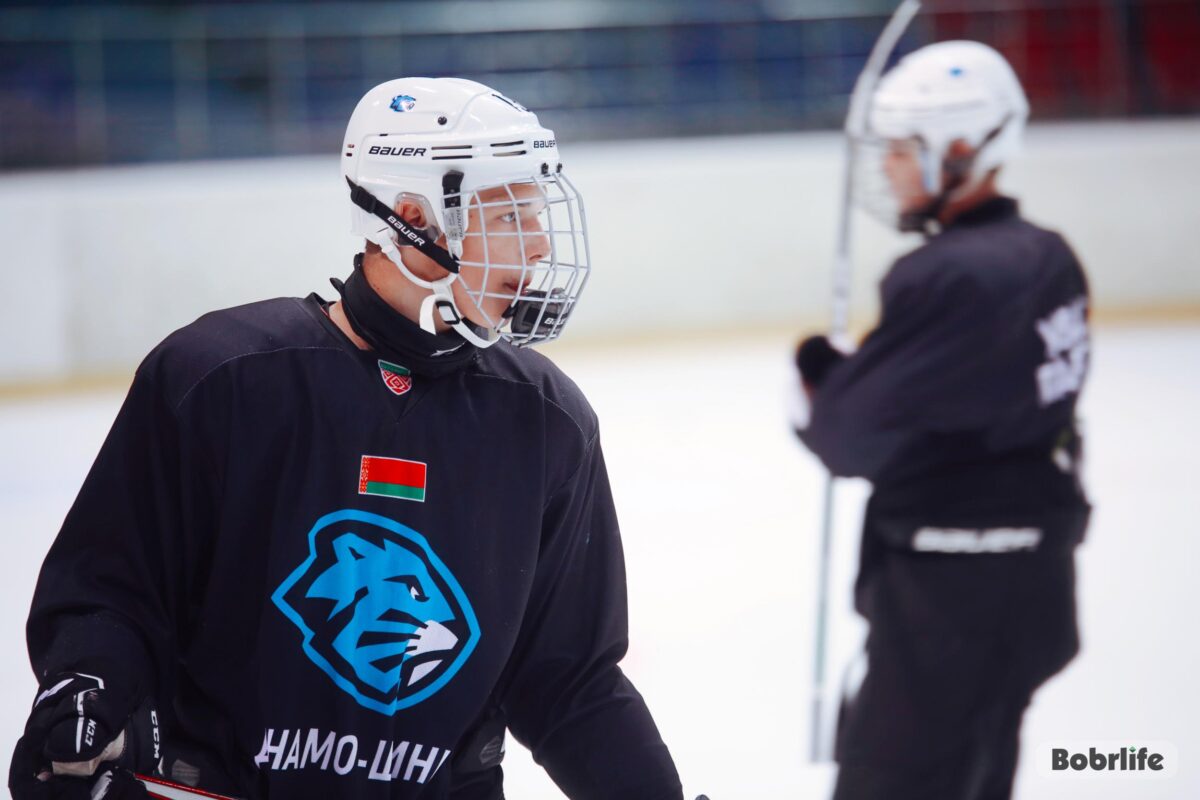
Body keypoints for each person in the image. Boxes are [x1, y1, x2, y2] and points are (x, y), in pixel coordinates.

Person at [10, 78, 684, 800]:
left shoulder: (546, 420)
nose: (542, 242)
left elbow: (569, 680)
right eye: (514, 213)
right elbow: (113, 593)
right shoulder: (224, 379)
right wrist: (87, 685)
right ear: (413, 218)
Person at [791, 42, 1091, 800]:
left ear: (961, 148)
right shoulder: (1049, 257)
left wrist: (824, 379)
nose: (887, 167)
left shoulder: (943, 274)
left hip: (948, 605)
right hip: (1033, 586)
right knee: (981, 771)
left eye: (900, 149)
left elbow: (847, 436)